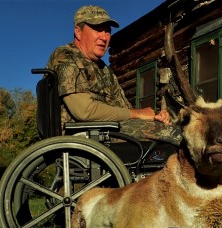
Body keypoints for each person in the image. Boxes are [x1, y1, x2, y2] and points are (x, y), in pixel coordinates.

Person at [46, 5, 181, 144]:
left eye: (107, 31)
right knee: (174, 136)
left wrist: (154, 118)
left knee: (172, 129)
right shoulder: (66, 57)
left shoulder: (103, 69)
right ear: (78, 32)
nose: (104, 37)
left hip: (109, 129)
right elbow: (84, 111)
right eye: (98, 29)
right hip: (84, 135)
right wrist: (137, 114)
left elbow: (125, 109)